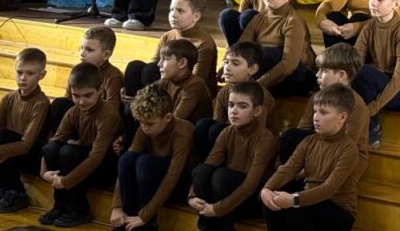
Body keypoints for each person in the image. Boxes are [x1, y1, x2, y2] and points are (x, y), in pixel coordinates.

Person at [260, 86, 360, 231]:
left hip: (338, 209)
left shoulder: (348, 149)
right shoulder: (309, 141)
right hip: (309, 200)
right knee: (272, 199)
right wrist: (267, 189)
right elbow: (287, 169)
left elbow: (328, 189)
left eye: (323, 112)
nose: (316, 117)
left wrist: (294, 200)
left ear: (342, 117)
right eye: (315, 111)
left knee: (299, 213)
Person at [39, 63, 123, 227]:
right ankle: (60, 205)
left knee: (69, 152)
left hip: (106, 167)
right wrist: (44, 173)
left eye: (87, 95)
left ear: (100, 91)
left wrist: (65, 181)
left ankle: (79, 209)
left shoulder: (108, 115)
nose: (82, 102)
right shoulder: (73, 111)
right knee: (52, 149)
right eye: (76, 96)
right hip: (84, 161)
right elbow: (54, 141)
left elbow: (96, 157)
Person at [189, 81, 277, 231]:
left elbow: (250, 185)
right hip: (227, 195)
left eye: (242, 106)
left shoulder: (265, 139)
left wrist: (217, 209)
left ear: (257, 111)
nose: (233, 111)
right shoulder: (227, 132)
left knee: (222, 176)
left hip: (252, 199)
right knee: (202, 170)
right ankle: (207, 227)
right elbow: (208, 165)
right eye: (231, 105)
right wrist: (192, 197)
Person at [111, 85, 194, 231]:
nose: (144, 127)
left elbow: (172, 177)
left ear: (168, 117)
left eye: (149, 123)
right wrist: (116, 207)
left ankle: (148, 225)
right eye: (140, 122)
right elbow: (127, 162)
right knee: (126, 159)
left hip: (178, 184)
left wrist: (145, 216)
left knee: (145, 163)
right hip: (150, 182)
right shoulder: (144, 127)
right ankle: (128, 221)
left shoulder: (182, 133)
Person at [279, 45, 369, 180]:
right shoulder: (317, 97)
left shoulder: (357, 106)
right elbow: (303, 129)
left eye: (324, 71)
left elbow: (346, 145)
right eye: (318, 70)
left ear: (341, 75)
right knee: (291, 136)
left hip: (342, 158)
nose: (317, 75)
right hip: (317, 148)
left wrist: (305, 171)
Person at [125, 0, 217, 100]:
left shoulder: (204, 43)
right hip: (167, 83)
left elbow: (196, 81)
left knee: (150, 72)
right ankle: (133, 104)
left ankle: (146, 106)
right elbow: (154, 65)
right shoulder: (167, 36)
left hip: (190, 93)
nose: (173, 14)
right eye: (171, 9)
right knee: (135, 67)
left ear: (196, 16)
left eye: (180, 11)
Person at [351, 0, 400, 147]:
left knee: (362, 72)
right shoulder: (369, 25)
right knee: (354, 68)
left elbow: (399, 80)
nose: (372, 3)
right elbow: (354, 60)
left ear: (396, 4)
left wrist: (371, 109)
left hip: (398, 92)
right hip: (376, 83)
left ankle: (373, 126)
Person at [240, 0, 317, 97]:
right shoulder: (260, 17)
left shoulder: (292, 21)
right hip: (272, 69)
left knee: (267, 53)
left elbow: (288, 65)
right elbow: (242, 45)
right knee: (250, 52)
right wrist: (227, 66)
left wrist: (257, 85)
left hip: (299, 75)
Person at [0, 48, 49, 213]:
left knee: (0, 135)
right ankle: (4, 187)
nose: (23, 78)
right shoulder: (8, 97)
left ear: (42, 75)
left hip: (31, 154)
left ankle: (16, 191)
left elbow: (26, 145)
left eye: (30, 73)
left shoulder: (41, 103)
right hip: (10, 150)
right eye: (19, 72)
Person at [195, 42, 276, 160]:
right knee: (204, 125)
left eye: (235, 63)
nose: (227, 67)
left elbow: (256, 135)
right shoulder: (224, 91)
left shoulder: (260, 96)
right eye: (226, 62)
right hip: (229, 137)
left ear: (252, 69)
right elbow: (218, 120)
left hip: (252, 147)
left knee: (216, 130)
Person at [49, 26, 123, 132]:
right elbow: (68, 99)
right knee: (59, 103)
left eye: (89, 50)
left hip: (96, 124)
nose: (82, 53)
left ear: (106, 55)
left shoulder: (113, 76)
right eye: (81, 48)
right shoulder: (78, 70)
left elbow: (112, 111)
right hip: (77, 117)